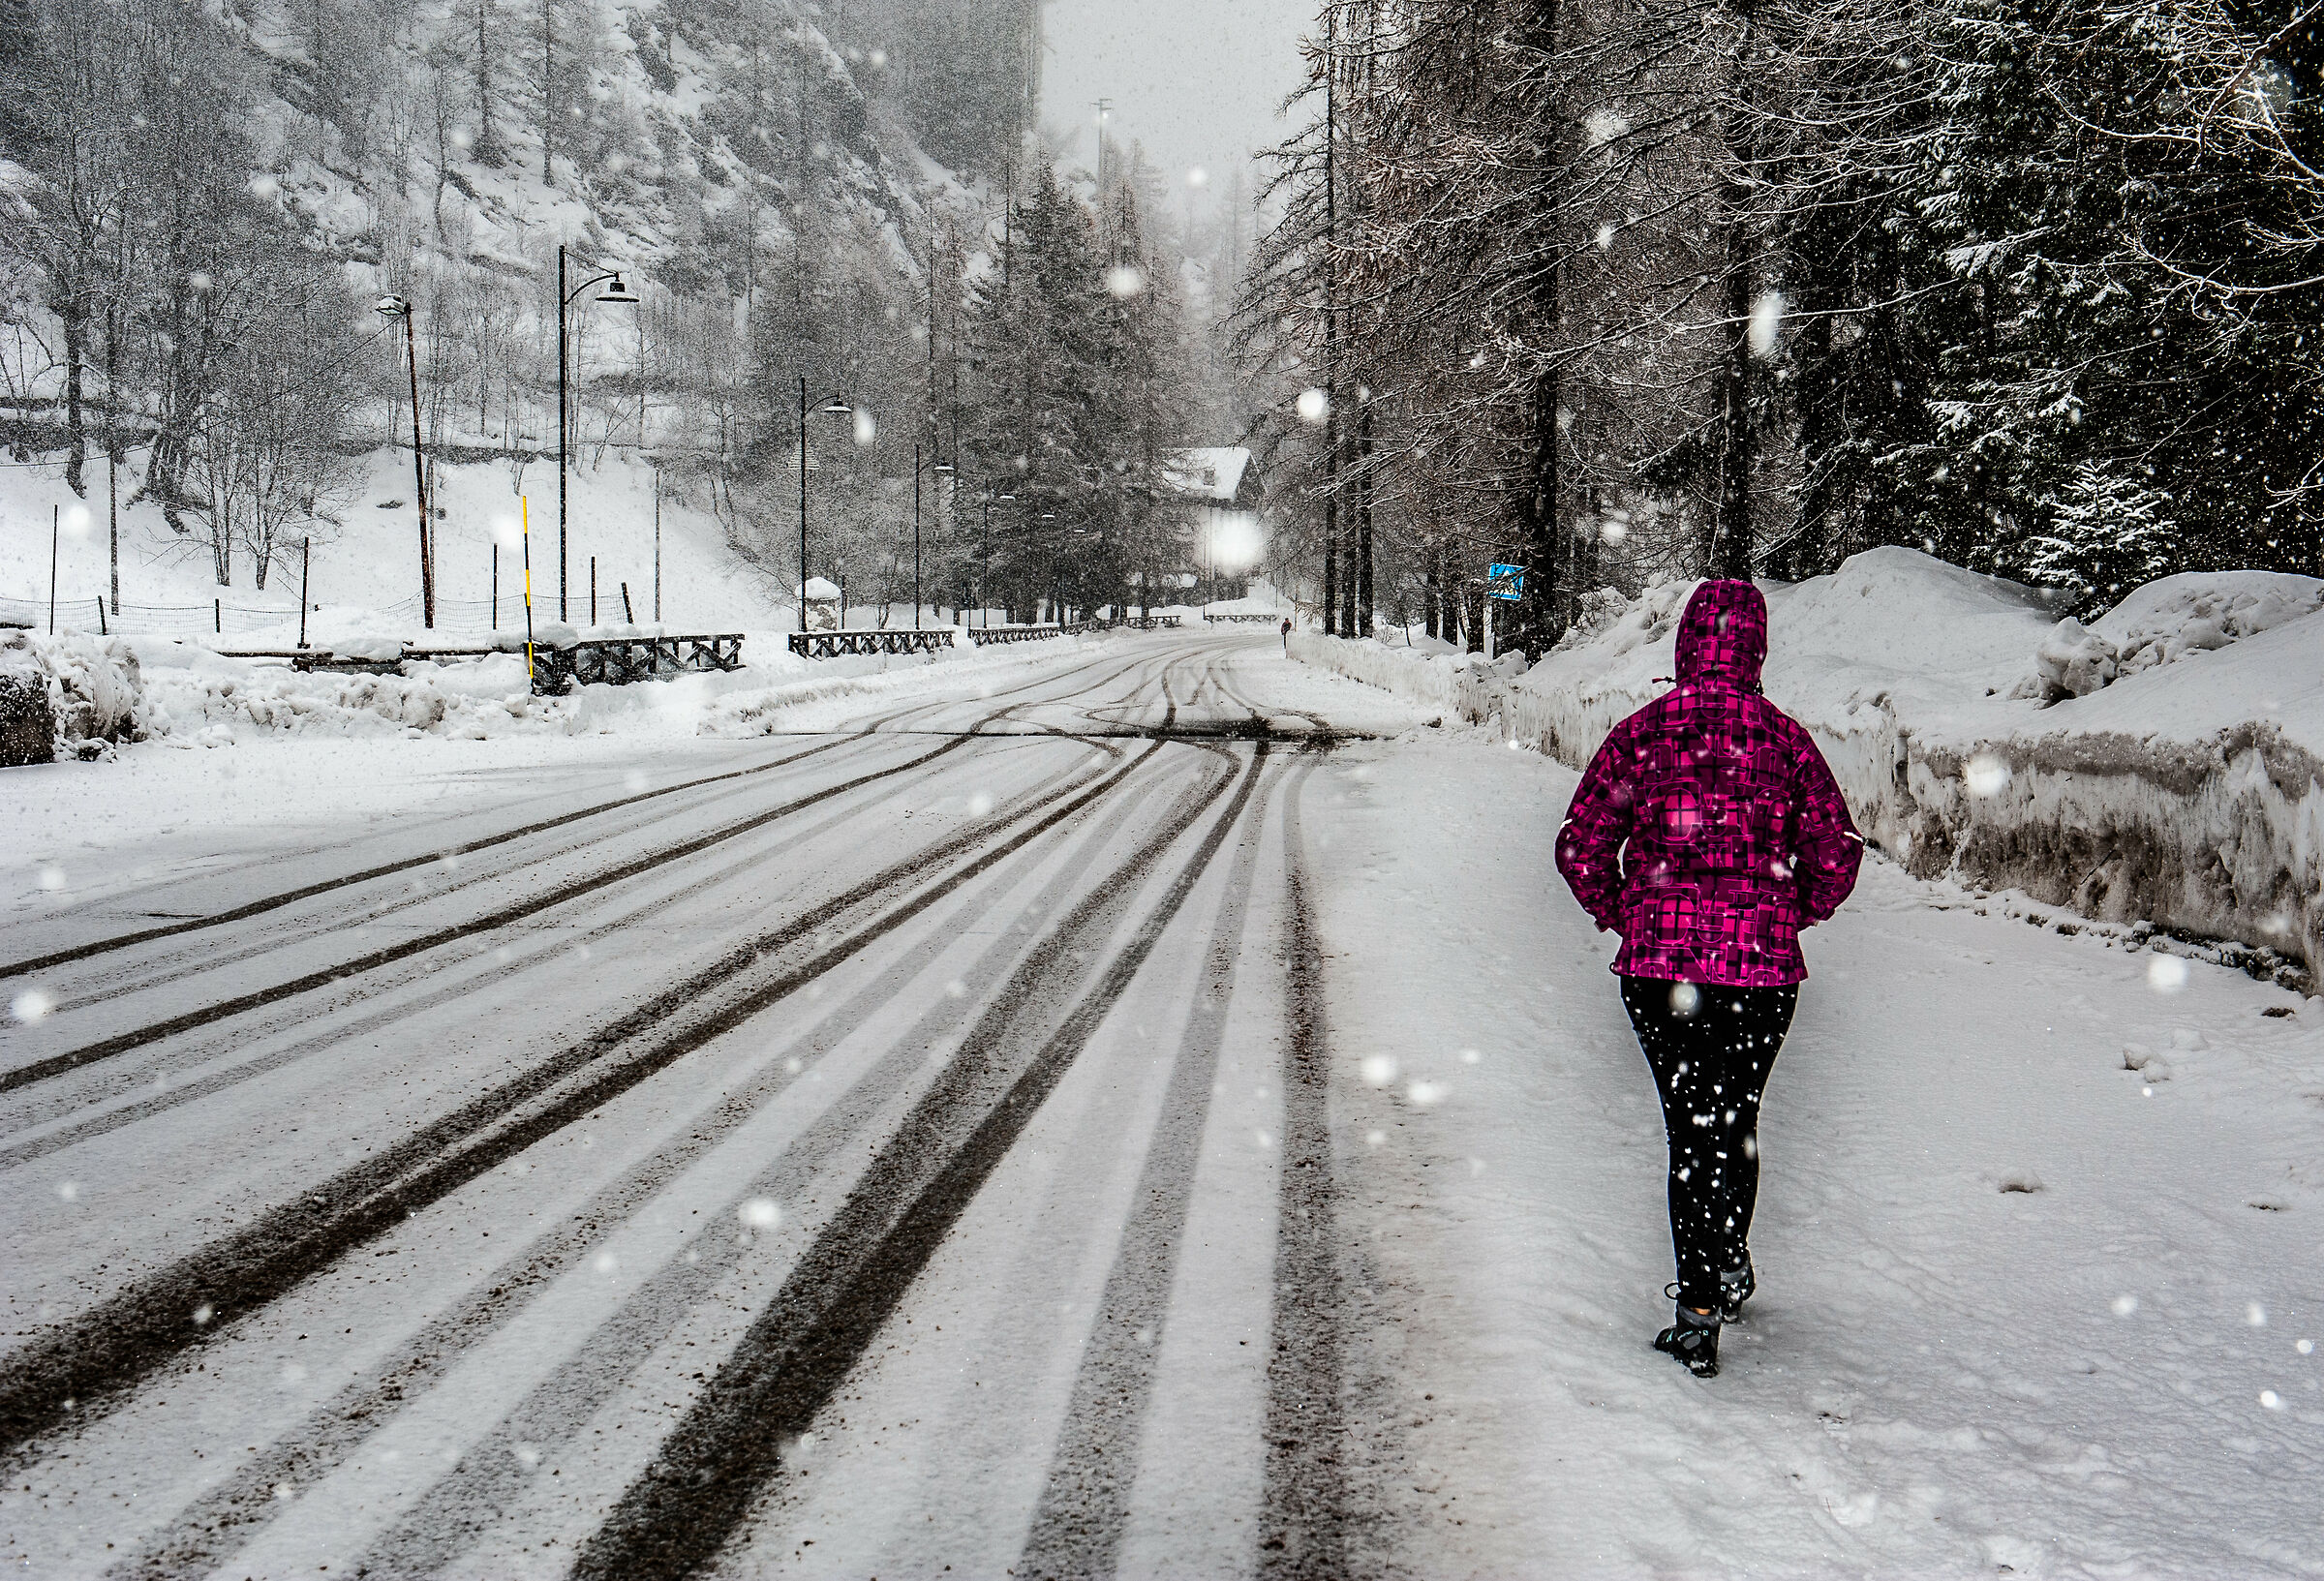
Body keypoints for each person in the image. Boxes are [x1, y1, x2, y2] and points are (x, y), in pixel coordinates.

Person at [1554, 580, 1862, 1379]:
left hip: (1663, 973)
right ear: (1757, 647)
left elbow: (1580, 843)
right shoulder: (1785, 741)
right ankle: (1727, 1264)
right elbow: (1837, 851)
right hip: (1762, 975)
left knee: (1691, 1123)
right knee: (1737, 1117)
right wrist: (1788, 914)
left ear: (1686, 642)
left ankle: (1697, 1307)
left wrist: (1632, 912)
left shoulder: (1643, 735)